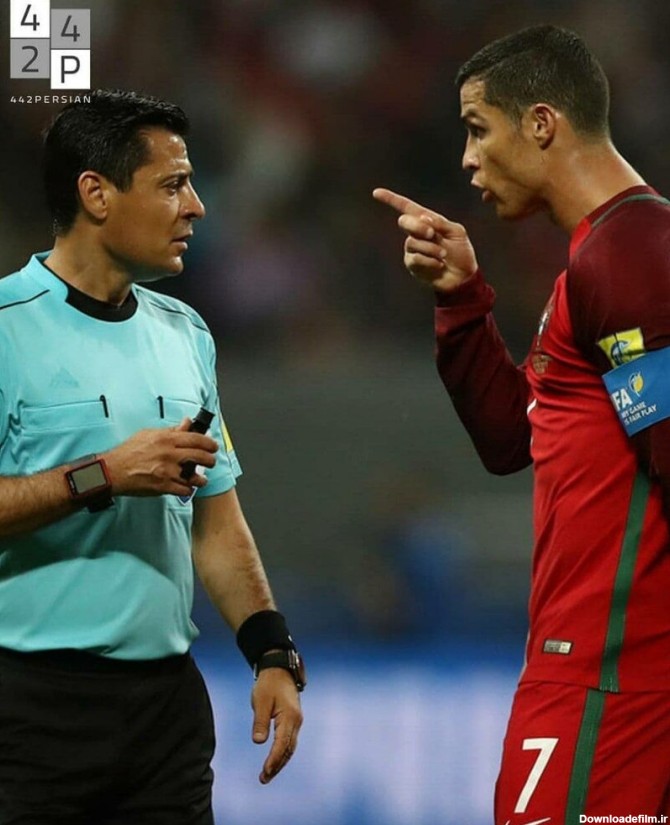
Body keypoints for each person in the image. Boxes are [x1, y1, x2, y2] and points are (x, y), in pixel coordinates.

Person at [374, 24, 670, 823]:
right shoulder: (601, 259)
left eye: (479, 129)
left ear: (541, 124)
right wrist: (461, 302)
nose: (467, 159)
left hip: (612, 683)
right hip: (601, 674)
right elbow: (514, 440)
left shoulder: (630, 256)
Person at [0, 89, 305, 824]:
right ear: (97, 194)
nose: (196, 207)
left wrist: (271, 652)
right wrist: (103, 475)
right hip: (29, 710)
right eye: (172, 185)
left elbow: (216, 521)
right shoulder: (6, 327)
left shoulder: (185, 333)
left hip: (165, 714)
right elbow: (108, 476)